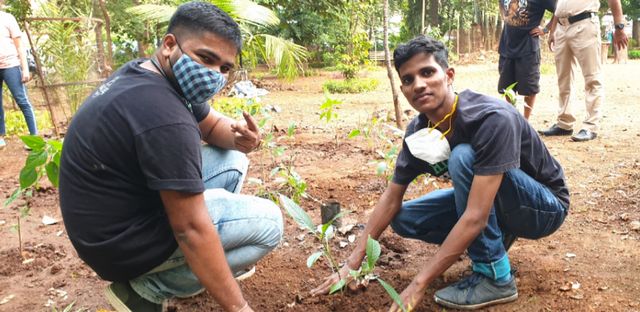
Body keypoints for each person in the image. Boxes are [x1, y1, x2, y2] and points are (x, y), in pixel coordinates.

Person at [311, 35, 569, 311]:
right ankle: (497, 236)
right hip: (496, 202)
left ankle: (495, 276)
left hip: (544, 207)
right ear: (403, 89)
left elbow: (475, 216)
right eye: (409, 79)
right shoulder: (419, 131)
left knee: (463, 157)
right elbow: (391, 197)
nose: (419, 84)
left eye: (427, 72)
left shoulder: (490, 119)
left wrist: (418, 283)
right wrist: (352, 263)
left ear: (449, 75)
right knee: (402, 218)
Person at [59, 2, 282, 312]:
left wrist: (242, 139)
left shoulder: (150, 74)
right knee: (269, 224)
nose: (214, 74)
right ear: (169, 45)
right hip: (118, 244)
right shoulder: (163, 115)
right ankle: (146, 290)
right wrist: (240, 308)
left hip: (112, 219)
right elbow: (189, 229)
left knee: (234, 162)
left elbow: (214, 125)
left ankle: (194, 267)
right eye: (206, 58)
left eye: (224, 67)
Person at [539, 0, 628, 141]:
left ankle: (590, 126)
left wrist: (620, 27)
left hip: (584, 24)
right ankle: (564, 123)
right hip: (561, 28)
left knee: (592, 78)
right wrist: (553, 30)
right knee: (564, 78)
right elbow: (559, 6)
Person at [497, 0, 556, 120]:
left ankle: (525, 122)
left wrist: (546, 29)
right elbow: (501, 4)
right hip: (507, 45)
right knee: (506, 87)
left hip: (527, 47)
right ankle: (512, 119)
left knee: (529, 87)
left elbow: (559, 10)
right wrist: (505, 16)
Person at [0, 1, 38, 149]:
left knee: (22, 100)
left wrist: (25, 69)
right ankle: (1, 138)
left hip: (11, 65)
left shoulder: (8, 18)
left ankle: (34, 138)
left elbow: (20, 46)